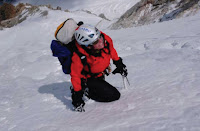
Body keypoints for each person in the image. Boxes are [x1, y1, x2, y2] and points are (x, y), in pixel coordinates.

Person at [70, 24, 128, 112]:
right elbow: (75, 75)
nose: (101, 42)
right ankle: (87, 91)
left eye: (100, 37)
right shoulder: (79, 55)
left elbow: (111, 50)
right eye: (96, 42)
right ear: (88, 46)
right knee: (114, 95)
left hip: (100, 74)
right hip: (89, 78)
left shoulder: (105, 39)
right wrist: (77, 95)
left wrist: (118, 63)